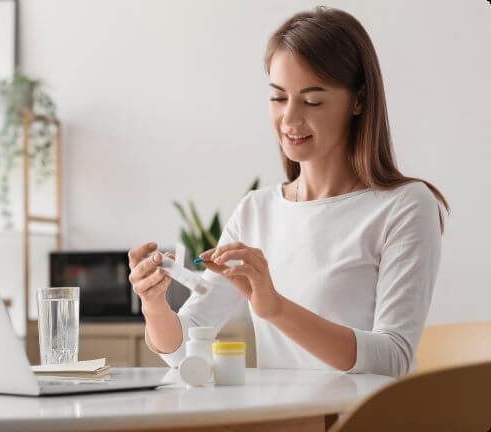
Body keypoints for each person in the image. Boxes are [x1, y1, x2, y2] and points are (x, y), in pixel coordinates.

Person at [127, 6, 449, 378]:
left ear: (358, 100)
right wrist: (154, 305)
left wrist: (274, 307)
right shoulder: (256, 210)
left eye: (312, 101)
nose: (290, 119)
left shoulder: (405, 207)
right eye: (279, 98)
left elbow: (393, 357)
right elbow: (183, 349)